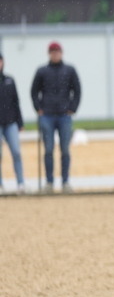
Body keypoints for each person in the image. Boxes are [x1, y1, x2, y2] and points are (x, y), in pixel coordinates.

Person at [31, 41, 81, 193]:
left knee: (65, 150)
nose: (55, 54)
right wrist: (38, 108)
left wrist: (73, 108)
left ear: (61, 53)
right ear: (49, 54)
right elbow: (34, 91)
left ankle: (65, 181)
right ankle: (49, 182)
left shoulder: (69, 70)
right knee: (48, 150)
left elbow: (77, 90)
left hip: (64, 115)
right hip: (47, 115)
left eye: (57, 52)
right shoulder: (42, 71)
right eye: (53, 52)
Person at [0, 52, 26, 194]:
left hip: (10, 122)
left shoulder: (9, 80)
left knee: (16, 152)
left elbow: (16, 102)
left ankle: (20, 183)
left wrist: (20, 122)